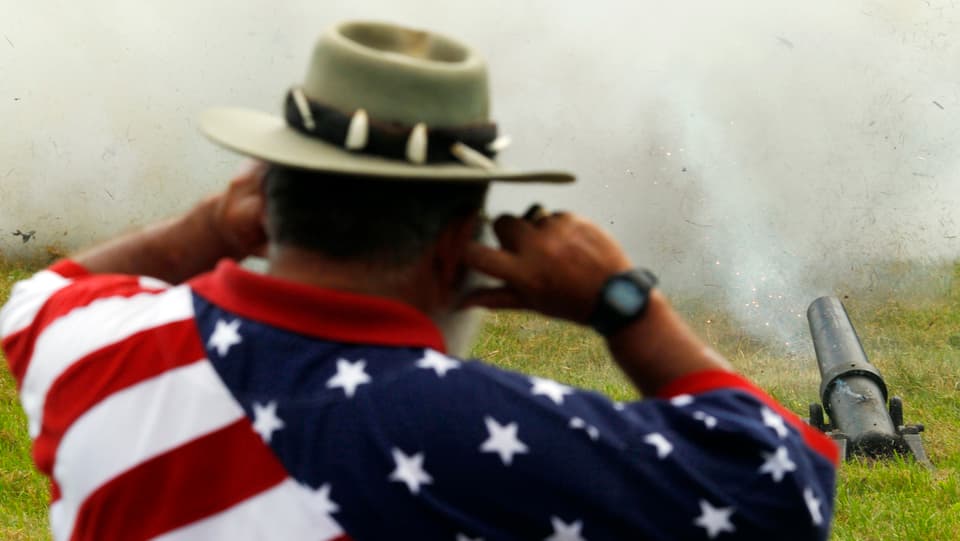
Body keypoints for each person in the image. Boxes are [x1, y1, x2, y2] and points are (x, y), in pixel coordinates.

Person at [0, 20, 837, 541]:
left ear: (265, 194)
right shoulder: (477, 429)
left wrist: (209, 226)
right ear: (454, 245)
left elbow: (43, 294)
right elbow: (784, 489)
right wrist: (622, 301)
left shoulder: (87, 342)